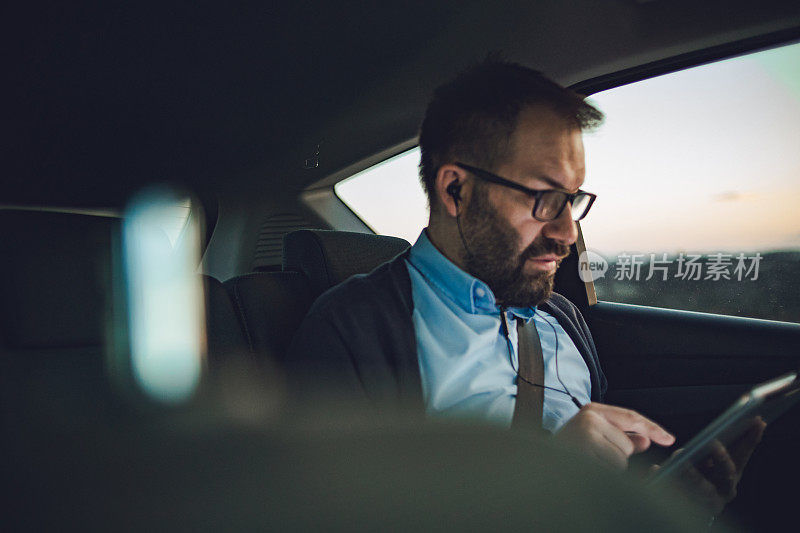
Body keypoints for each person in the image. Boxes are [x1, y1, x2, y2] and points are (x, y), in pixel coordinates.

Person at [287, 58, 762, 512]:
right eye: (544, 198)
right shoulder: (351, 331)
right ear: (456, 190)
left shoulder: (562, 318)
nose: (567, 233)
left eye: (572, 200)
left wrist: (657, 504)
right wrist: (543, 479)